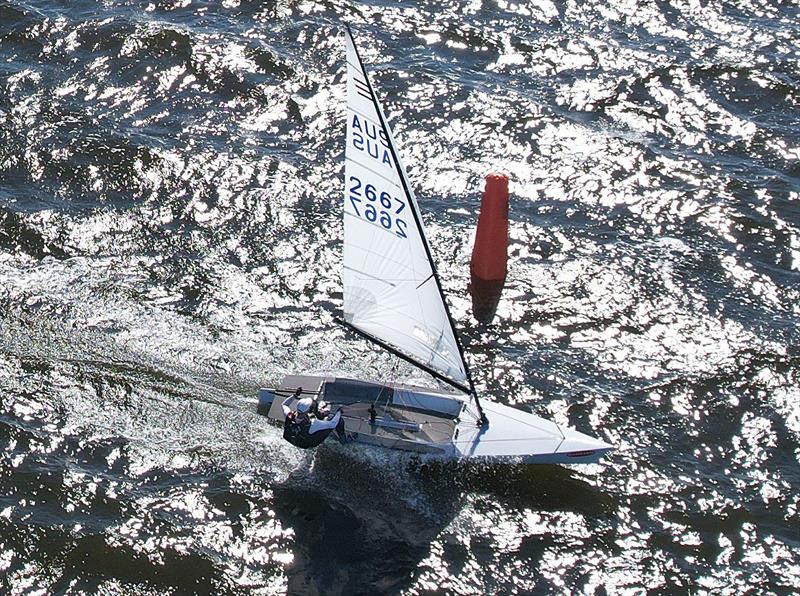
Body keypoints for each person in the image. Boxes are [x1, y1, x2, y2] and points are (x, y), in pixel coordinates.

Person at [281, 387, 347, 448]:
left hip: (292, 439)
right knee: (339, 420)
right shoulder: (314, 424)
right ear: (309, 410)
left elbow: (284, 404)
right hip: (311, 443)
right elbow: (333, 424)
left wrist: (295, 395)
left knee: (315, 421)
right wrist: (339, 412)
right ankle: (344, 442)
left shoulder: (289, 415)